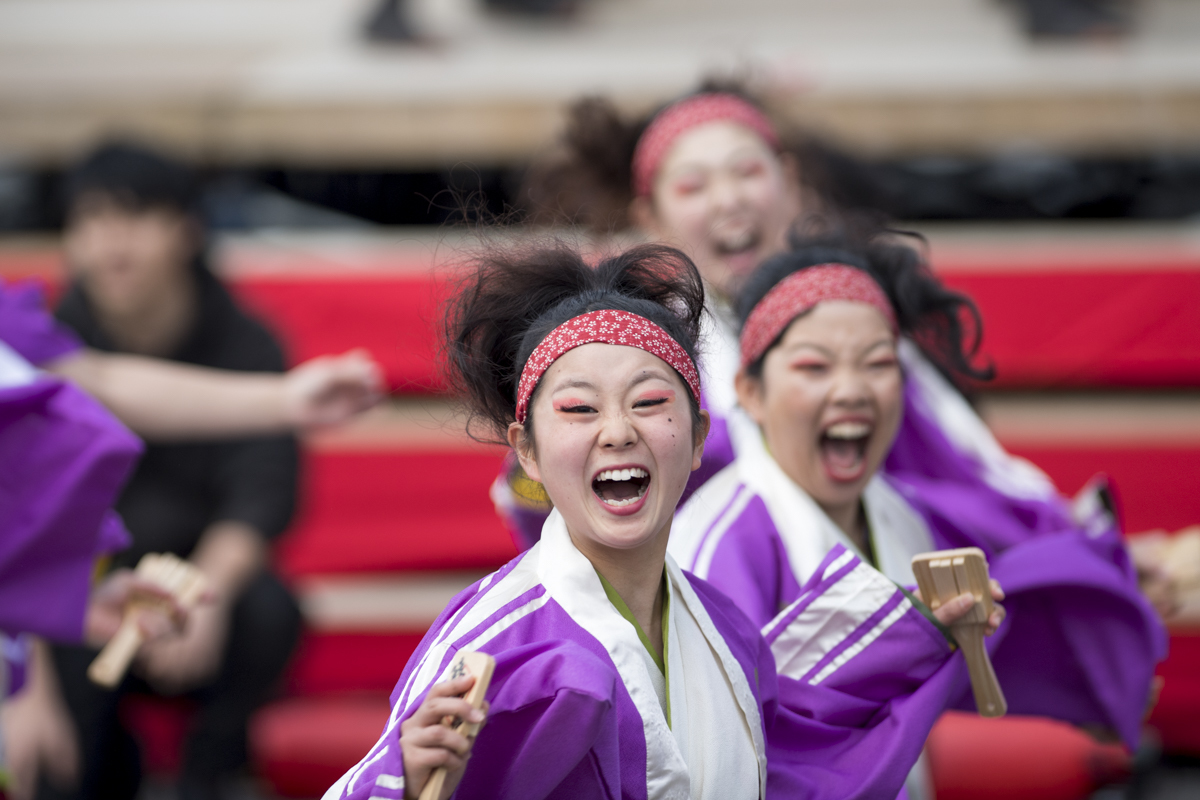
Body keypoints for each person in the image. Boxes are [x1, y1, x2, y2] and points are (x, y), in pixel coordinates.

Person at [324, 241, 1001, 800]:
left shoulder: (725, 630)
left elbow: (791, 750)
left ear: (701, 435)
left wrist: (919, 634)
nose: (617, 432)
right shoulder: (493, 640)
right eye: (579, 410)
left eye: (650, 402)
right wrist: (407, 782)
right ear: (525, 449)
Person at [669, 233, 1166, 756]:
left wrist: (1094, 683)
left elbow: (1014, 611)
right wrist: (897, 634)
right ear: (750, 392)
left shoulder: (909, 515)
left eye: (877, 363)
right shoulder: (715, 542)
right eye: (815, 367)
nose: (852, 389)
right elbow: (727, 737)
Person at [11, 140, 377, 800]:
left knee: (266, 611)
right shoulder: (51, 333)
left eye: (134, 217)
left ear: (186, 229)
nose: (110, 242)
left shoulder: (241, 339)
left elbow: (103, 385)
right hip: (76, 595)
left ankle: (212, 779)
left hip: (183, 594)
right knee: (68, 628)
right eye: (90, 220)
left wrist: (204, 589)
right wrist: (20, 685)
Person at [496, 82, 830, 548]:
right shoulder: (632, 347)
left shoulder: (856, 321)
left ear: (790, 181)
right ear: (650, 216)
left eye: (748, 171)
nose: (728, 200)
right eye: (693, 185)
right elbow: (530, 501)